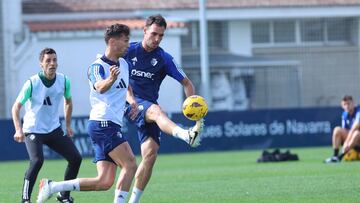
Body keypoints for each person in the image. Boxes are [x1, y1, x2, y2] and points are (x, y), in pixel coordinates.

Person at [36, 23, 138, 203]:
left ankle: (53, 187)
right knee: (130, 165)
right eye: (126, 40)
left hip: (109, 124)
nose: (128, 44)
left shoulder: (124, 63)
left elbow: (126, 85)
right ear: (113, 42)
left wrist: (132, 101)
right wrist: (111, 79)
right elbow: (100, 87)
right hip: (103, 124)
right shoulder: (96, 67)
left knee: (104, 182)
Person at [123, 14, 204, 203]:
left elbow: (186, 82)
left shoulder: (164, 58)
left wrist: (193, 105)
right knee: (158, 111)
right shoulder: (129, 51)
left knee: (150, 156)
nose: (157, 39)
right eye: (154, 34)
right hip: (129, 105)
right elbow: (122, 80)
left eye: (161, 36)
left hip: (148, 108)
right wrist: (131, 99)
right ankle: (186, 135)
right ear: (144, 31)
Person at [11, 47, 82, 203]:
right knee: (37, 161)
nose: (52, 63)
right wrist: (18, 130)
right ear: (41, 64)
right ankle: (25, 199)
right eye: (48, 61)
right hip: (33, 129)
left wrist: (68, 125)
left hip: (53, 128)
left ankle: (64, 196)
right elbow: (16, 107)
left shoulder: (64, 80)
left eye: (54, 60)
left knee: (76, 158)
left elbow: (68, 101)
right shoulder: (32, 82)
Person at [324, 95, 360, 163]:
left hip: (357, 138)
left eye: (348, 103)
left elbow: (354, 128)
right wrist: (345, 142)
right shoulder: (345, 114)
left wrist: (346, 142)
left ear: (353, 103)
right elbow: (345, 130)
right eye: (344, 104)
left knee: (356, 133)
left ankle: (340, 156)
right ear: (342, 106)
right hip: (353, 141)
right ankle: (335, 156)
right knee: (337, 130)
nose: (347, 106)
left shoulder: (358, 111)